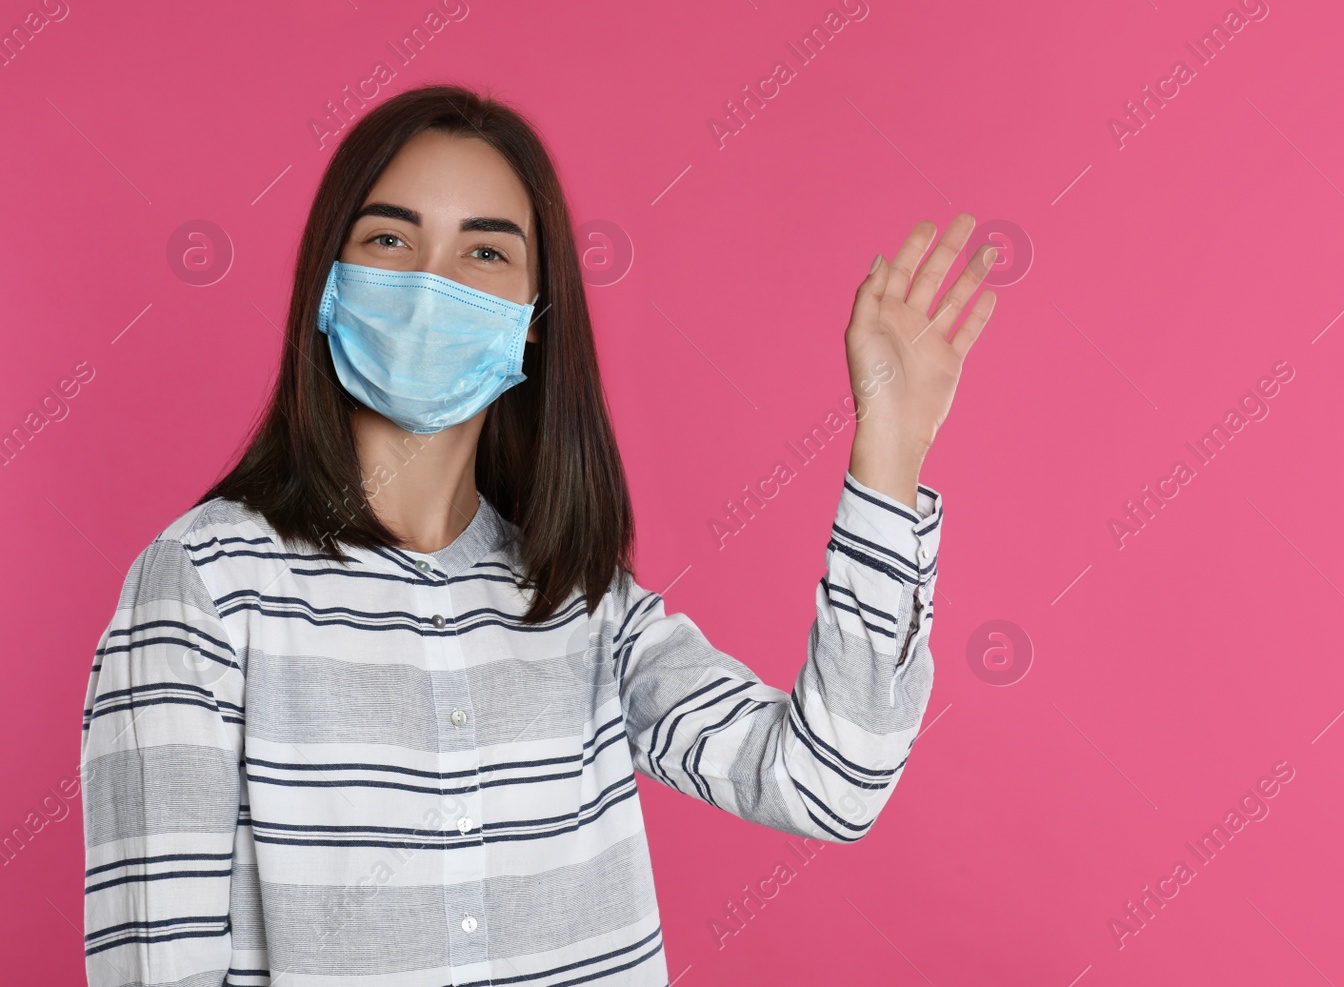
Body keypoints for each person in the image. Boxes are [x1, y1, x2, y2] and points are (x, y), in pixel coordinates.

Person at [79, 84, 996, 985]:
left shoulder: (581, 598)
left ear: (530, 323)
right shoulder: (202, 584)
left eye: (485, 252)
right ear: (327, 282)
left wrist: (891, 447)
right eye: (391, 238)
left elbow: (829, 781)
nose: (433, 282)